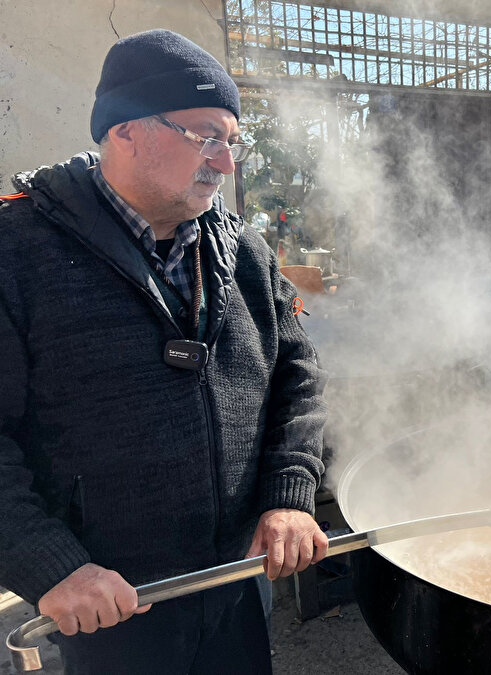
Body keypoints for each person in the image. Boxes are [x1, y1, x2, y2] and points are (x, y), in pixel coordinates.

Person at [0, 29, 328, 674]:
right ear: (125, 130)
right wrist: (47, 563)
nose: (227, 162)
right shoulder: (16, 252)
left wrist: (289, 491)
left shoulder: (245, 253)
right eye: (206, 135)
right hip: (106, 602)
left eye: (233, 141)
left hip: (234, 582)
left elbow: (298, 376)